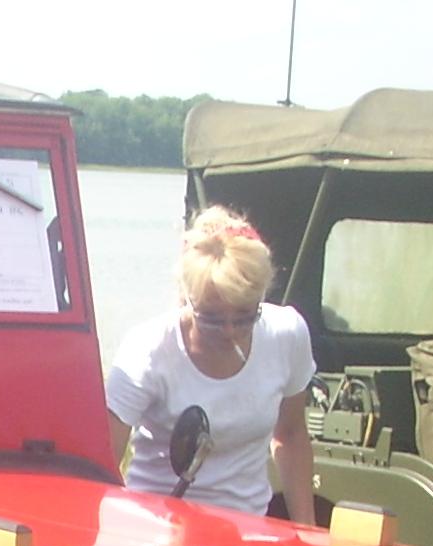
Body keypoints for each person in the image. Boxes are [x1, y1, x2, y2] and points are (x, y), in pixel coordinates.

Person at [104, 205, 315, 522]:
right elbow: (101, 466)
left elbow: (292, 434)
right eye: (212, 319)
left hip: (247, 531)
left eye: (245, 317)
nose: (230, 332)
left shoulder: (287, 334)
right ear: (186, 298)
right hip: (157, 532)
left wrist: (307, 532)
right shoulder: (148, 349)